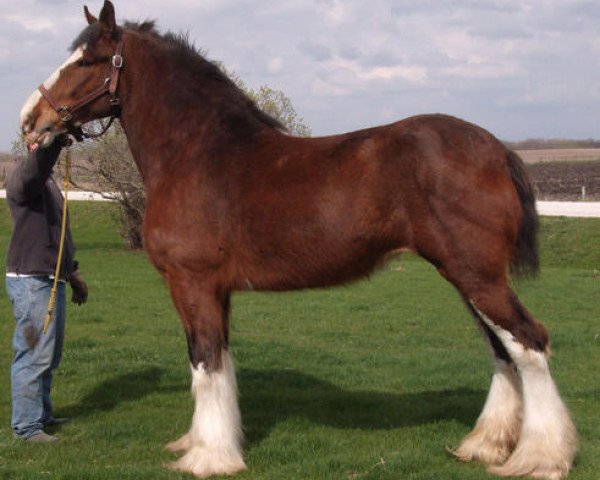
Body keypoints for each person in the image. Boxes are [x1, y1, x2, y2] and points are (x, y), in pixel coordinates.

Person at [5, 135, 88, 442]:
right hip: (30, 280)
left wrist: (74, 274)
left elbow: (59, 232)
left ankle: (41, 415)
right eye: (40, 136)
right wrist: (53, 141)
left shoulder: (48, 183)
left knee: (49, 355)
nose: (45, 140)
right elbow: (37, 166)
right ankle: (26, 428)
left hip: (50, 278)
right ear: (30, 143)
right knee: (33, 353)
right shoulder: (22, 176)